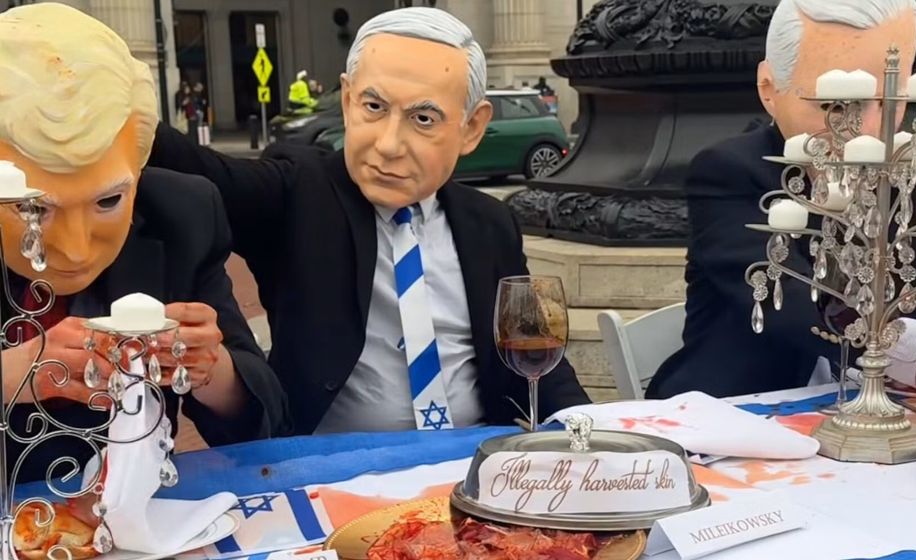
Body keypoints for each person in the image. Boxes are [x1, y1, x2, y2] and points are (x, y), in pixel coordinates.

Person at [148, 7, 590, 434]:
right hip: (337, 472)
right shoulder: (297, 194)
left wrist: (588, 429)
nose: (389, 144)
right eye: (374, 107)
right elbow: (196, 167)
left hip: (468, 462)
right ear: (346, 100)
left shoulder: (490, 224)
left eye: (422, 118)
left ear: (472, 128)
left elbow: (533, 354)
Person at [647, 0, 916, 416]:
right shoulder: (729, 172)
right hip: (733, 424)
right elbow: (792, 305)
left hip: (893, 428)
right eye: (833, 105)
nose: (865, 131)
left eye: (889, 101)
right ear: (769, 90)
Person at [0, 4, 290, 481]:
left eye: (108, 200)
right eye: (33, 208)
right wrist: (14, 372)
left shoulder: (183, 215)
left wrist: (210, 370)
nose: (74, 249)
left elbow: (265, 424)